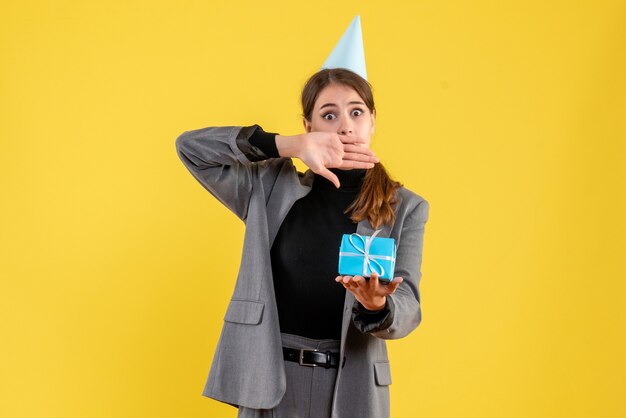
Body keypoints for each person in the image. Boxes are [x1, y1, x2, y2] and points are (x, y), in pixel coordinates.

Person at [175, 67, 430, 418]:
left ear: (372, 121)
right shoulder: (268, 188)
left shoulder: (405, 207)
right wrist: (287, 145)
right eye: (329, 115)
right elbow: (191, 148)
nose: (345, 126)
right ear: (309, 127)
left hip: (351, 389)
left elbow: (408, 306)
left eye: (357, 112)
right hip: (270, 382)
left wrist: (377, 307)